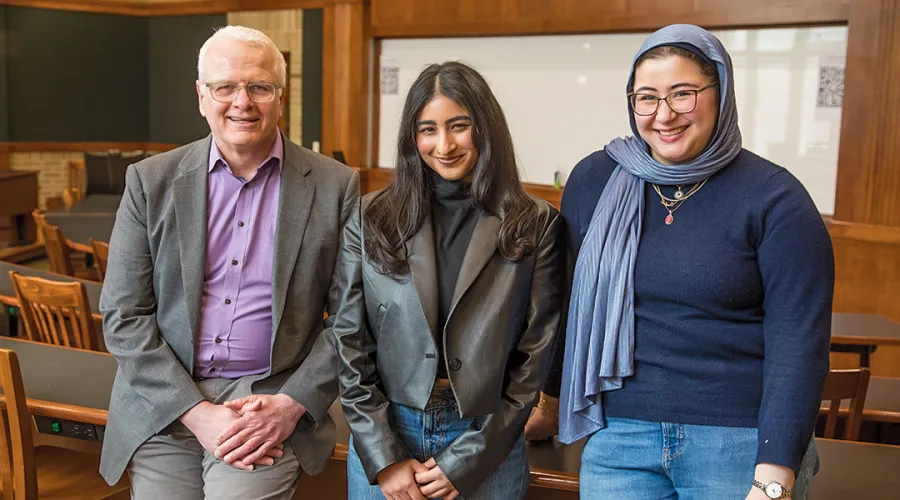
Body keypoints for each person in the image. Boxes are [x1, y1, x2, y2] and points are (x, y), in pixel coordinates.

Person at [558, 24, 833, 500]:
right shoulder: (595, 179)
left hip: (737, 440)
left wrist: (774, 477)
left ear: (720, 93)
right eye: (646, 97)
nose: (663, 115)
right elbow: (557, 304)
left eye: (682, 94)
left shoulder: (776, 198)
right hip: (619, 435)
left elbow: (799, 343)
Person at [98, 26, 359, 499]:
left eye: (259, 86)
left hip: (267, 406)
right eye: (225, 87)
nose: (242, 101)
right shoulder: (149, 182)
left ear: (281, 98)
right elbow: (123, 315)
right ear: (202, 95)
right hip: (164, 405)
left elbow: (350, 320)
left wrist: (292, 404)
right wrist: (197, 413)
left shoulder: (336, 186)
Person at [330, 61, 566, 500]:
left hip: (486, 435)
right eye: (428, 129)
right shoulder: (370, 217)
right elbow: (348, 339)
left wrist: (473, 456)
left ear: (485, 127)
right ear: (411, 137)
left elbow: (534, 359)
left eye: (459, 126)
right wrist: (385, 457)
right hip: (389, 429)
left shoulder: (535, 223)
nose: (444, 144)